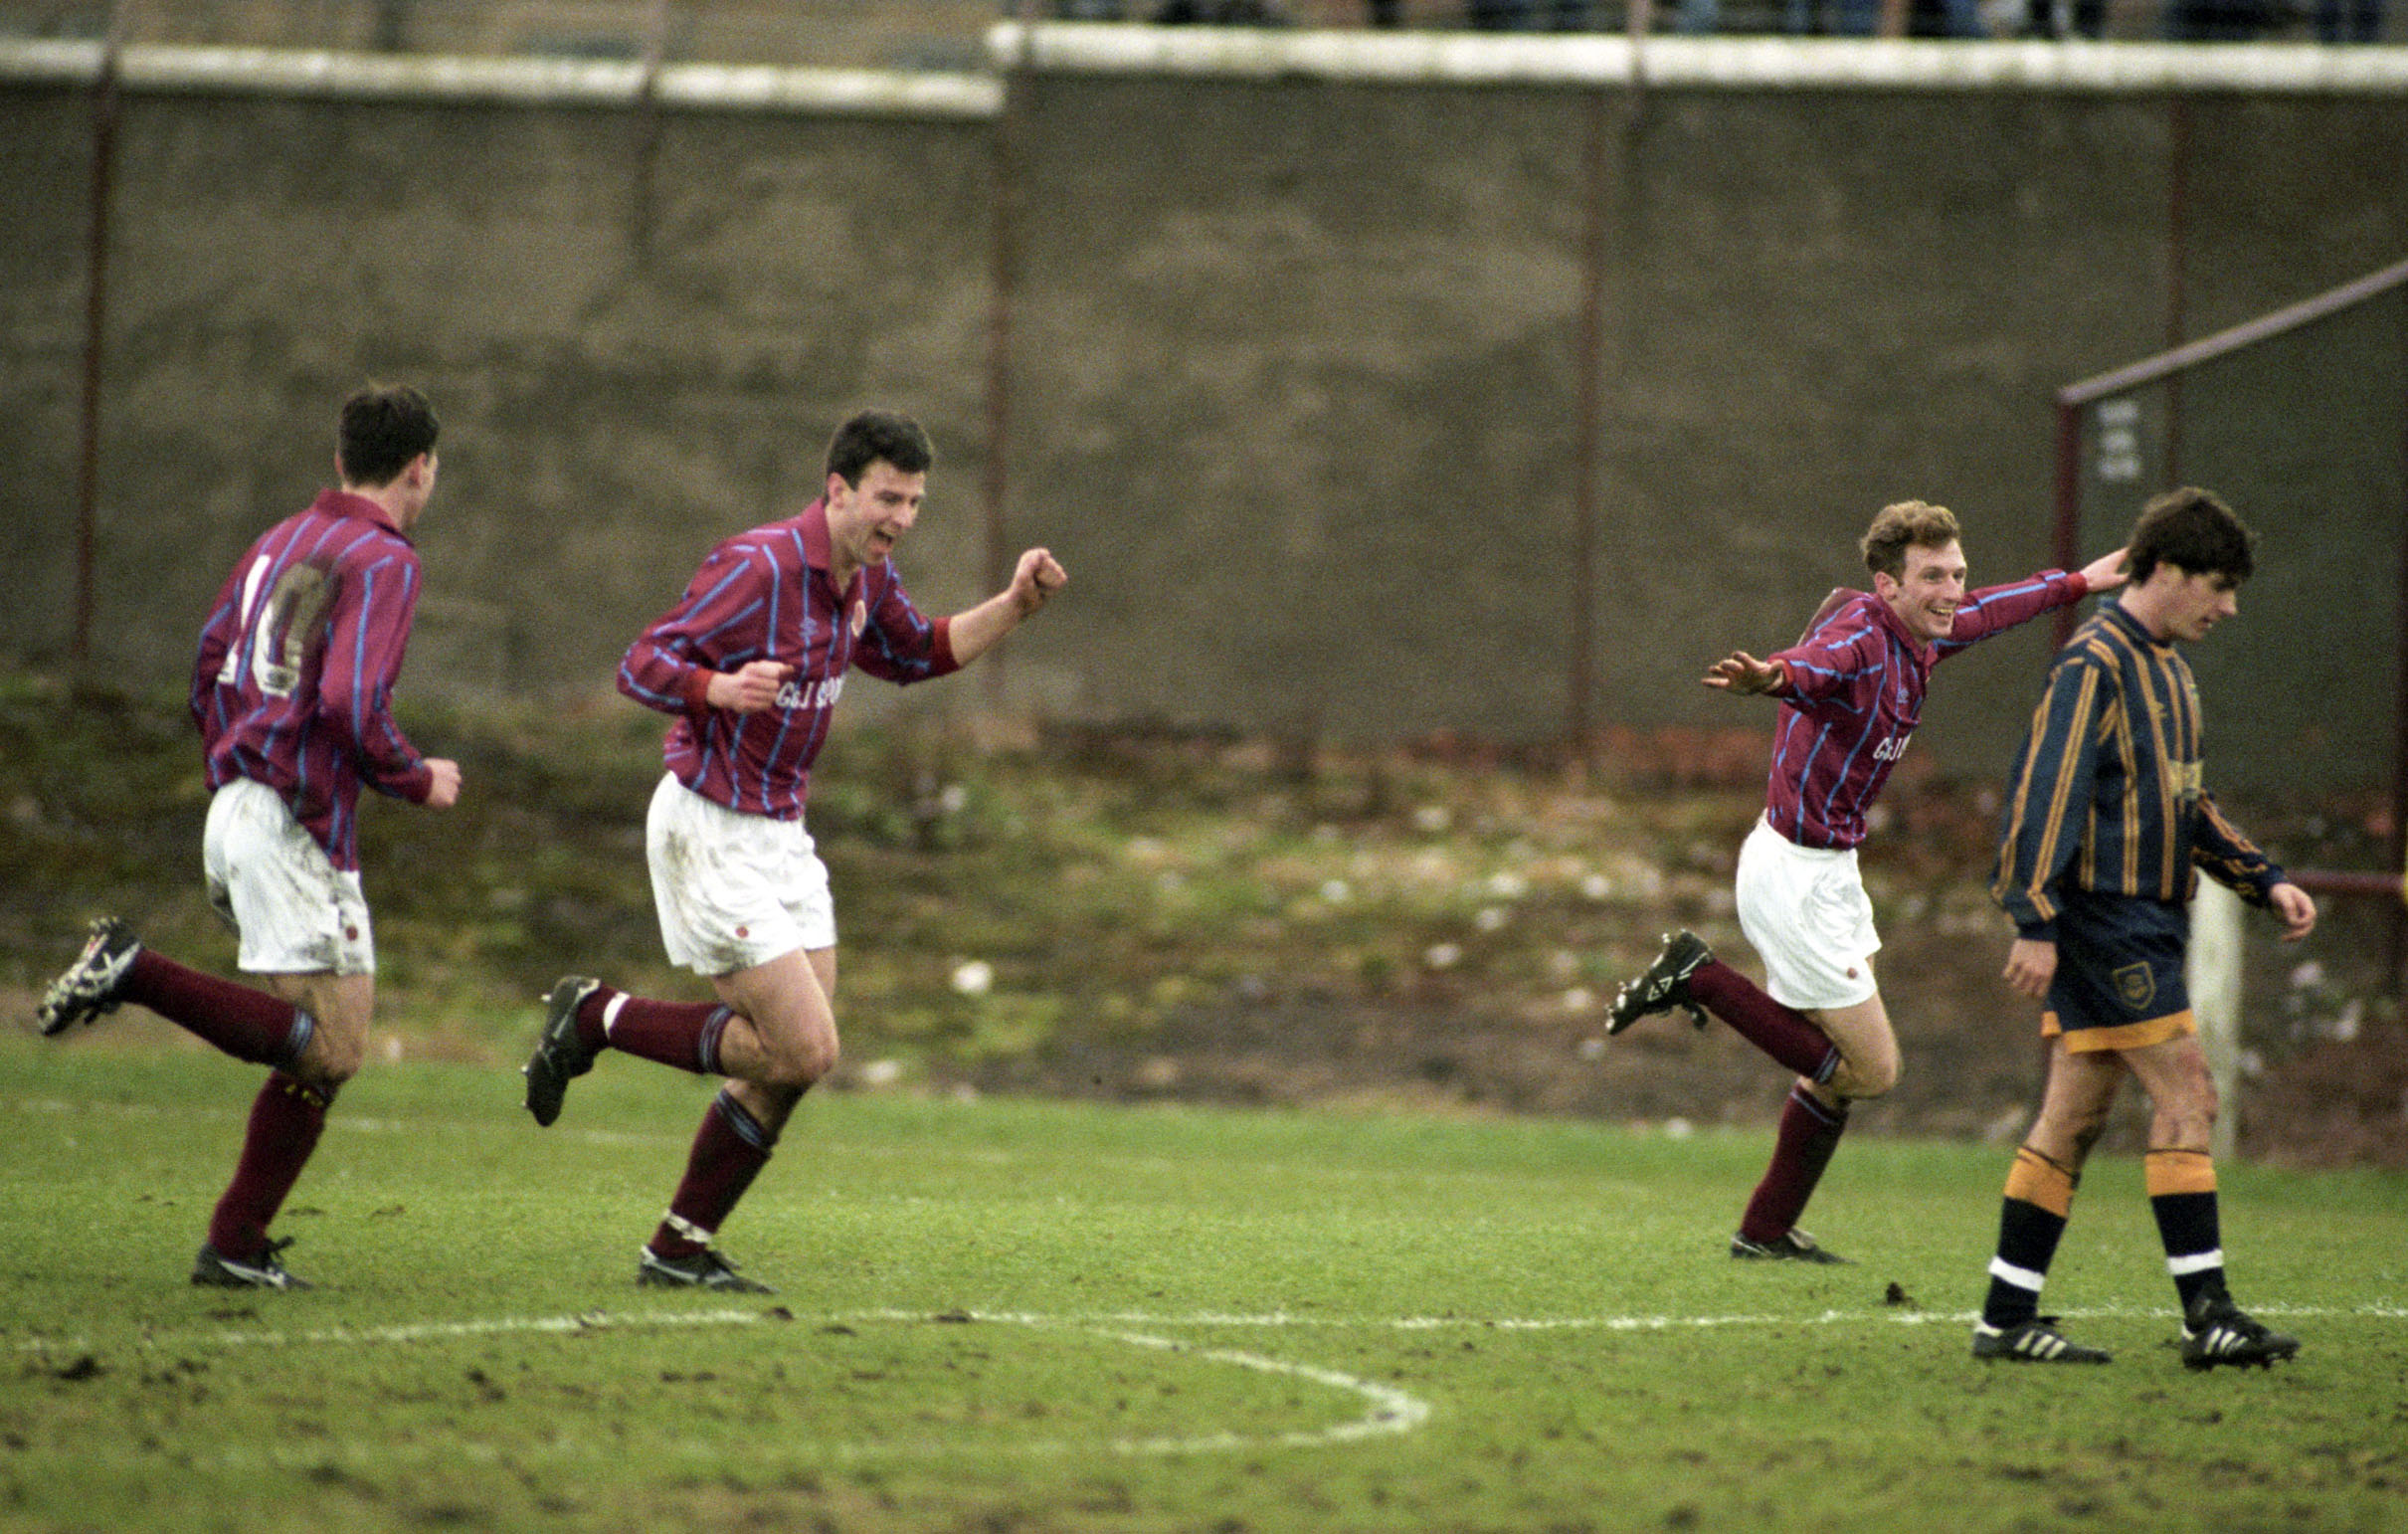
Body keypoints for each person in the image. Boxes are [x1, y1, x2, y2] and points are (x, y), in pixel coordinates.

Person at [520, 409, 1067, 1293]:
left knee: (793, 1064)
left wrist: (1012, 608)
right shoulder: (760, 564)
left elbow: (919, 652)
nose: (900, 518)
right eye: (887, 497)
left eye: (915, 503)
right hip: (710, 823)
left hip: (781, 833)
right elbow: (640, 662)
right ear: (838, 489)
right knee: (801, 1048)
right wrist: (716, 686)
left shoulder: (864, 578)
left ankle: (679, 1246)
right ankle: (594, 1018)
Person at [1605, 499, 2128, 1263]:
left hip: (1827, 872)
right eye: (1932, 577)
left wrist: (2079, 581)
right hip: (1793, 875)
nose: (1951, 590)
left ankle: (1763, 1231)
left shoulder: (1920, 636)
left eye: (1955, 572)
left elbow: (1989, 610)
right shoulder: (1860, 638)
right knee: (1872, 1070)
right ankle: (1699, 976)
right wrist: (1771, 678)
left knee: (1833, 1074)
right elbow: (1818, 667)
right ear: (1887, 586)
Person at [36, 384, 462, 1290]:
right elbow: (350, 699)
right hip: (288, 819)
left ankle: (235, 1243)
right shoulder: (384, 558)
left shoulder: (279, 540)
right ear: (420, 467)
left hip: (240, 801)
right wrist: (414, 774)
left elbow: (206, 659)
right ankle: (134, 971)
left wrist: (235, 754)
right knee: (331, 1046)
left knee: (329, 1046)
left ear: (343, 459)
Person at [1970, 487, 2314, 1367]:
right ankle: (2210, 1315)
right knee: (2189, 1095)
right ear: (2165, 571)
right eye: (2217, 585)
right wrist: (2033, 918)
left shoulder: (2168, 670)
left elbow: (2184, 805)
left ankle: (2004, 1321)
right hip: (2104, 924)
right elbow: (2044, 793)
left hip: (2145, 922)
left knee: (2071, 1119)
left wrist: (2260, 879)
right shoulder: (2094, 662)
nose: (2227, 607)